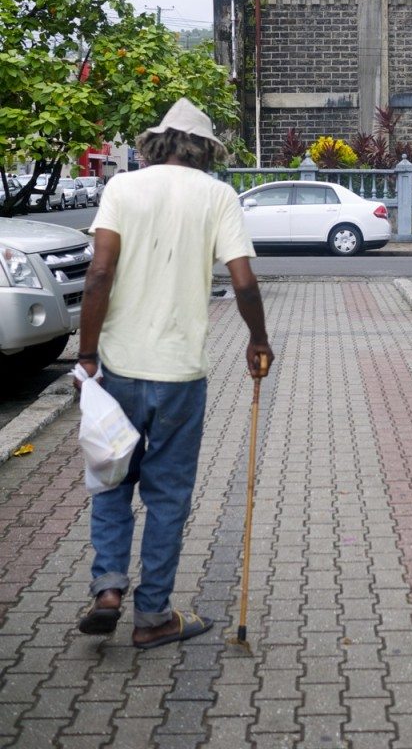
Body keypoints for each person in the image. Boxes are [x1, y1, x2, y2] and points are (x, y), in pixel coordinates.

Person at [75, 98, 273, 650]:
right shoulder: (218, 196)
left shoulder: (123, 188)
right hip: (181, 374)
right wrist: (258, 340)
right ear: (206, 150)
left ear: (155, 145)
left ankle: (109, 588)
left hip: (117, 367)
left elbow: (99, 274)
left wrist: (87, 356)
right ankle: (152, 615)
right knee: (167, 495)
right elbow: (244, 282)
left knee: (111, 479)